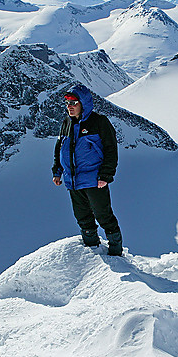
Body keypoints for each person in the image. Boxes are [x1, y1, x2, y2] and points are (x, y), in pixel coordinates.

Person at [52, 83, 123, 256]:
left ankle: (116, 253)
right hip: (73, 181)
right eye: (67, 103)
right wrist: (57, 171)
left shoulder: (99, 122)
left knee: (104, 216)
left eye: (74, 103)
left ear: (83, 103)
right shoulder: (66, 123)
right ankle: (92, 252)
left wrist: (106, 174)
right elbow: (60, 148)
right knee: (83, 218)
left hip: (94, 180)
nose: (70, 106)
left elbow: (110, 149)